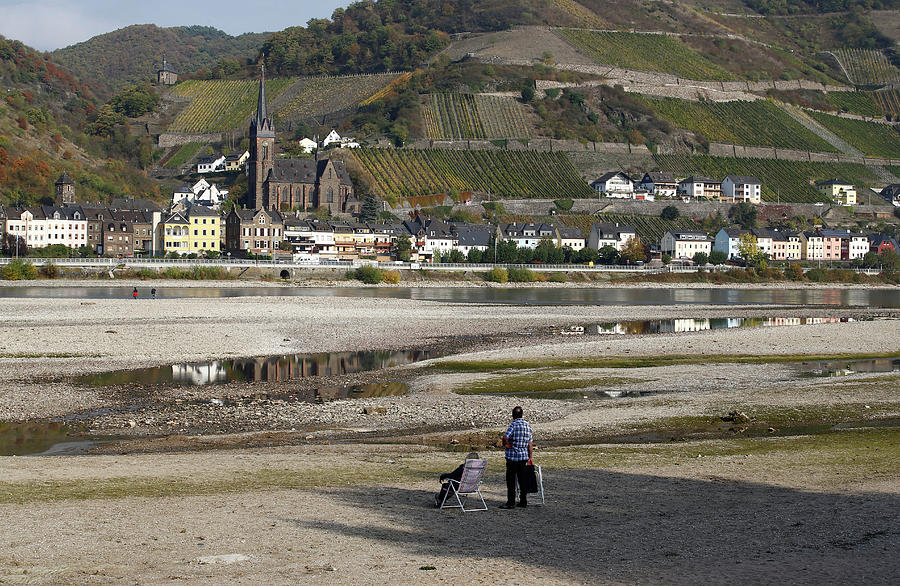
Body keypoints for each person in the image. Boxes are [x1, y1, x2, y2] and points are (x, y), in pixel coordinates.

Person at [500, 406, 533, 509]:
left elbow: (505, 437)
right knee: (522, 480)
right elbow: (530, 444)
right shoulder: (528, 426)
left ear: (513, 415)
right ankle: (523, 501)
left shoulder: (513, 425)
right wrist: (530, 457)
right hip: (523, 456)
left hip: (512, 457)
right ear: (522, 414)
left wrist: (506, 444)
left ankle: (511, 502)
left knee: (511, 481)